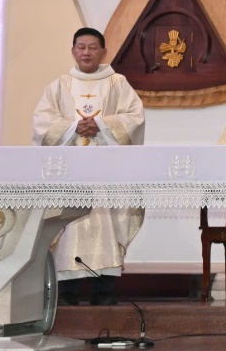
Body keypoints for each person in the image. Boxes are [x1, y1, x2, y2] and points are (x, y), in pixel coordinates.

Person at [31, 28, 146, 305]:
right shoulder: (59, 85)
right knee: (68, 224)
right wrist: (74, 127)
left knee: (105, 223)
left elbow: (135, 117)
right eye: (81, 47)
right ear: (73, 50)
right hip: (69, 169)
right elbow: (42, 122)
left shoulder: (118, 83)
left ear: (103, 52)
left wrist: (102, 125)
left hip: (106, 169)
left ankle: (103, 289)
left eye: (92, 47)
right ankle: (67, 291)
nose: (86, 52)